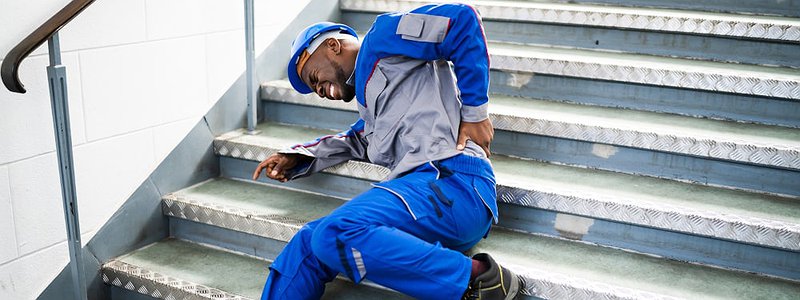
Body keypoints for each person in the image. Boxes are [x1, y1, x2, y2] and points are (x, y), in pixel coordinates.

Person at [252, 3, 519, 300]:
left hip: (454, 183)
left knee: (335, 232)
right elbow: (354, 139)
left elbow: (461, 21)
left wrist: (475, 113)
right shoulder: (371, 112)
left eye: (314, 77)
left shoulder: (382, 37)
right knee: (309, 241)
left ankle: (478, 279)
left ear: (333, 46)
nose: (318, 90)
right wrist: (297, 157)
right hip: (423, 201)